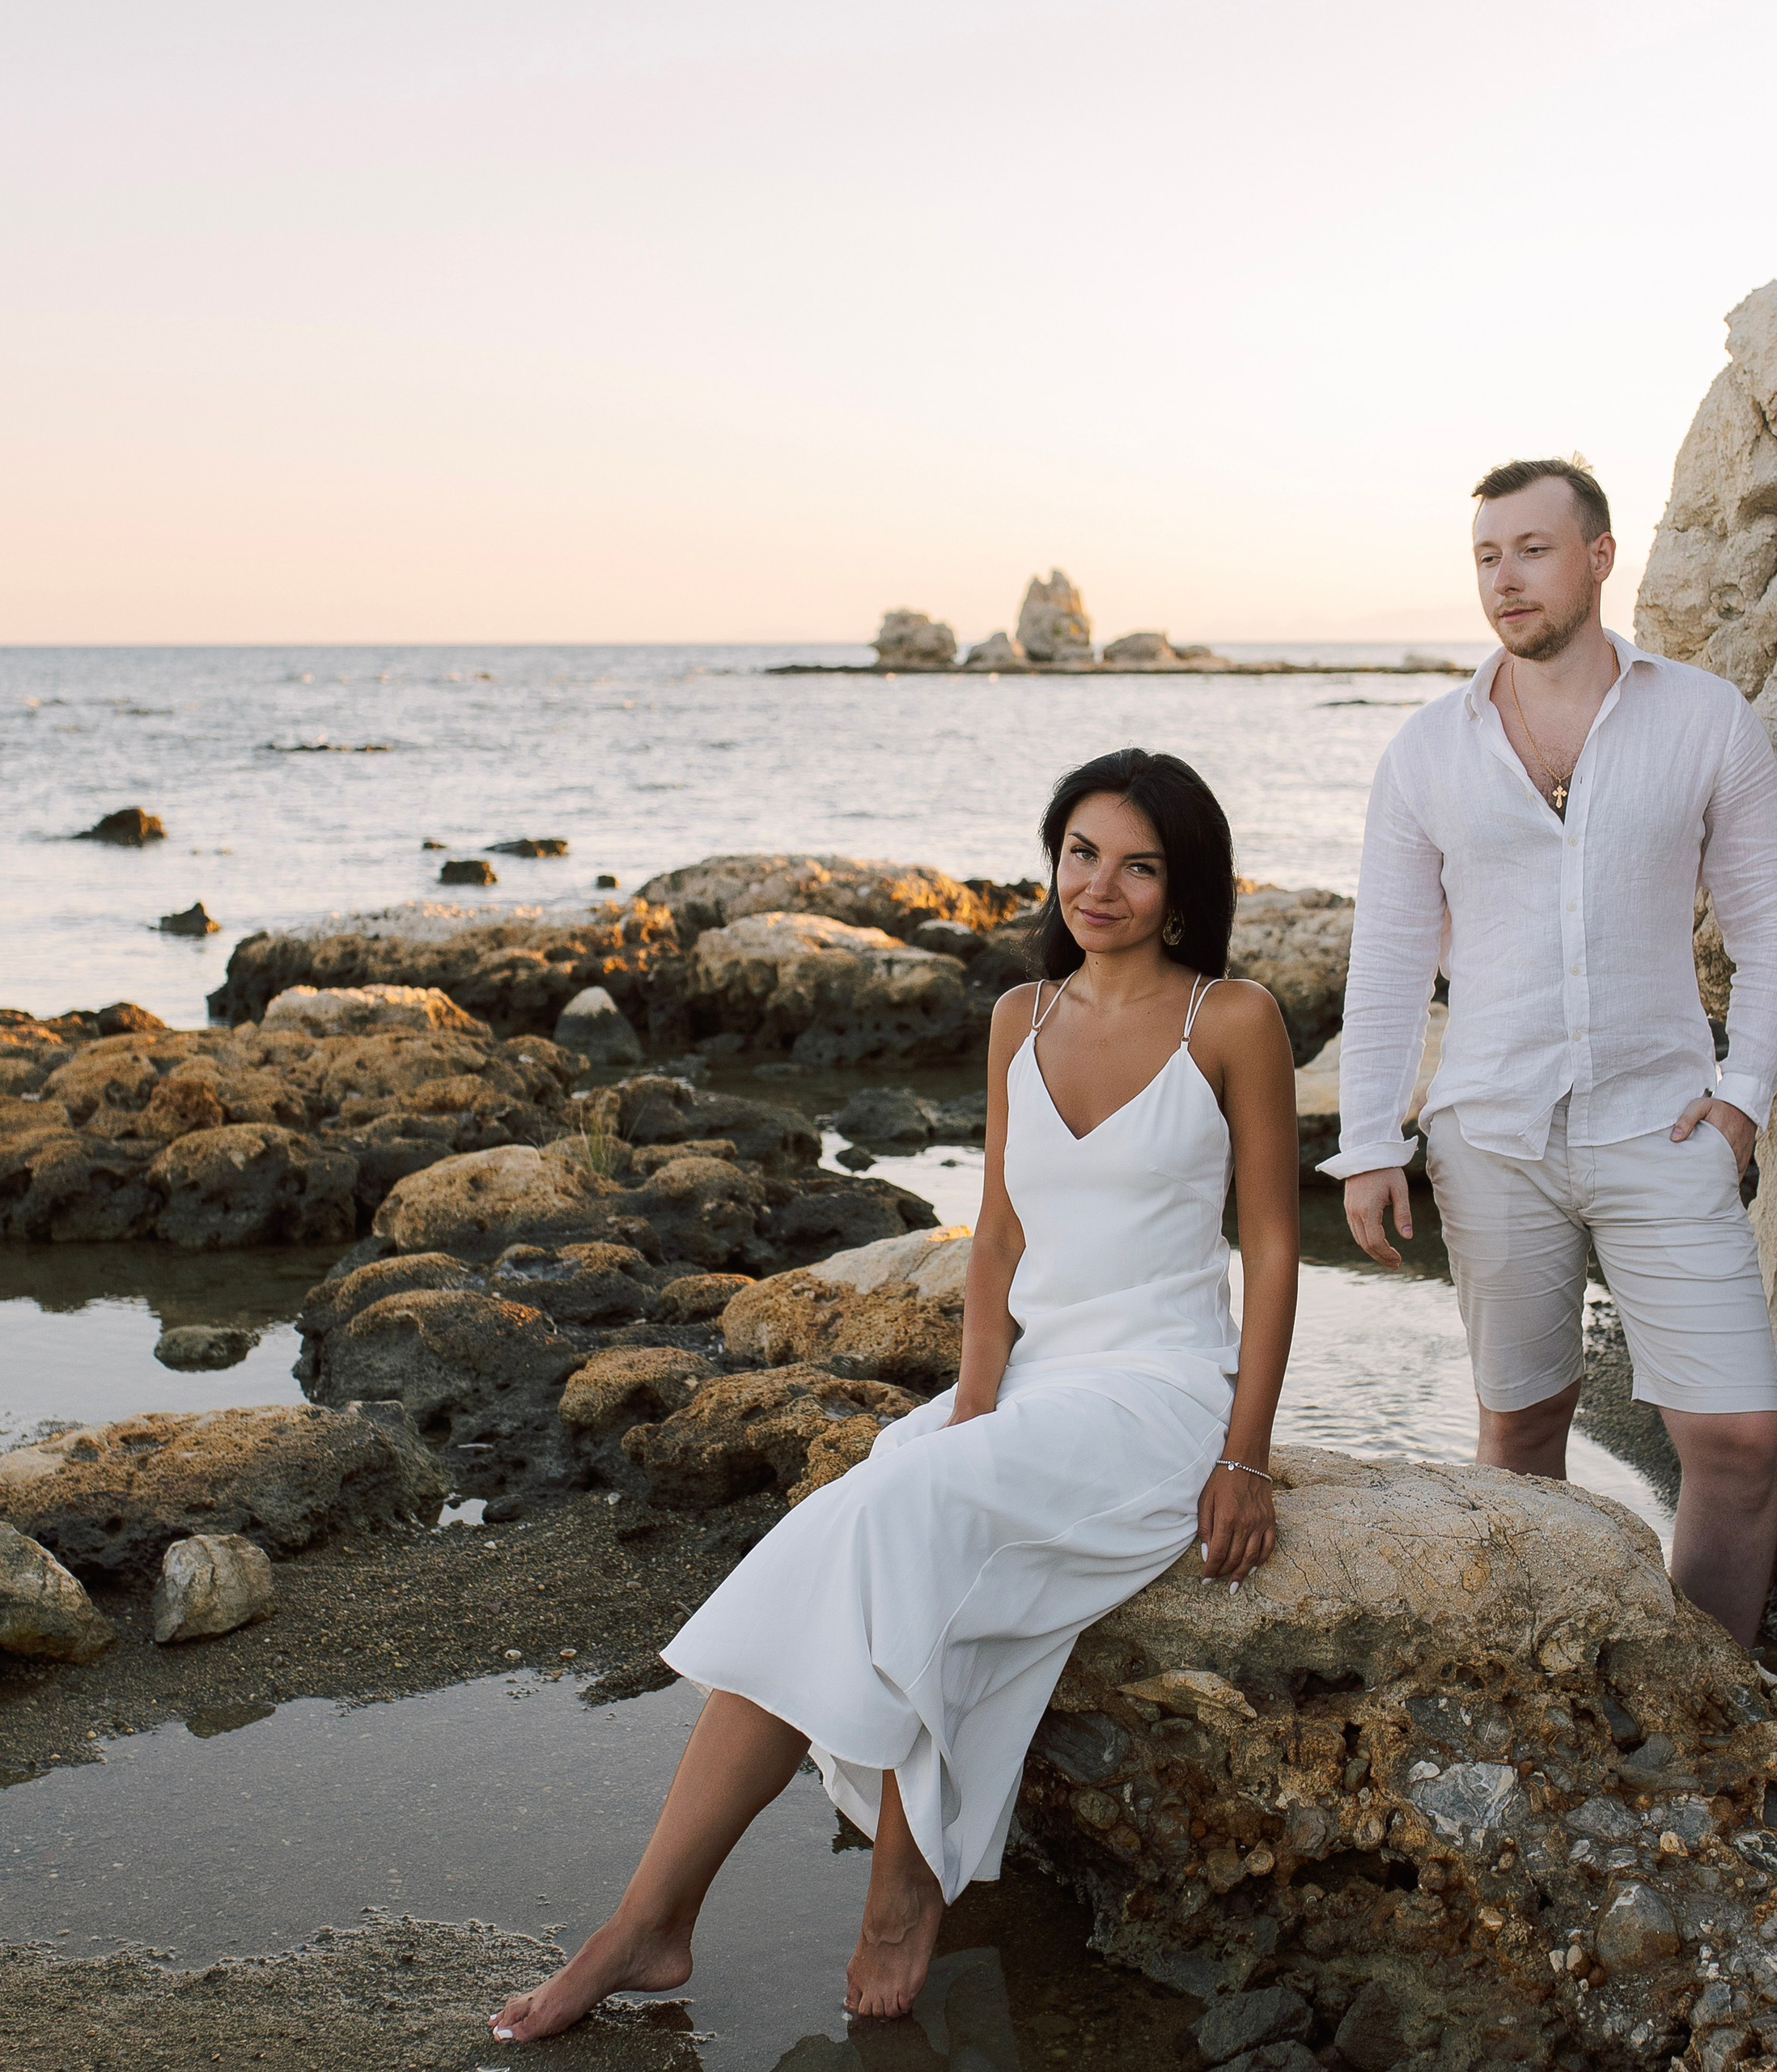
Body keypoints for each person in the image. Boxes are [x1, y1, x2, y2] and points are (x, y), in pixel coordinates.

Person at [491, 748, 1299, 2043]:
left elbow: (1268, 1247)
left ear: (1183, 885)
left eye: (1139, 865)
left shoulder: (1234, 1019)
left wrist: (1245, 1457)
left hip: (1159, 1394)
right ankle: (648, 1918)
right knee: (828, 1538)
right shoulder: (1018, 1018)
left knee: (903, 1511)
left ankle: (899, 1883)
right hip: (1032, 1384)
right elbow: (994, 1242)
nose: (1102, 885)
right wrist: (973, 1404)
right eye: (1082, 853)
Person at [1321, 456, 1777, 1648]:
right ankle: (1539, 1712)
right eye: (1487, 557)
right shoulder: (1428, 752)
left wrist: (1743, 1093)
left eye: (1532, 550)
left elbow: (1770, 921)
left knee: (1738, 1443)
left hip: (1667, 1124)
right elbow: (1387, 960)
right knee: (1522, 1432)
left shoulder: (1703, 717)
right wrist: (1370, 1141)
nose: (1506, 579)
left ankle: (1709, 1715)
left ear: (1599, 558)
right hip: (1491, 1135)